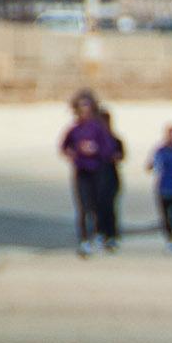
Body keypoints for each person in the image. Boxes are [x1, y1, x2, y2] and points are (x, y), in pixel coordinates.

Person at [60, 90, 124, 256]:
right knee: (83, 206)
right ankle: (84, 239)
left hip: (97, 170)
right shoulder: (74, 129)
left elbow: (109, 148)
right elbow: (64, 146)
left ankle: (99, 234)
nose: (84, 111)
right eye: (81, 108)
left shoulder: (98, 129)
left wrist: (96, 150)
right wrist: (72, 153)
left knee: (97, 205)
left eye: (87, 107)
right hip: (82, 170)